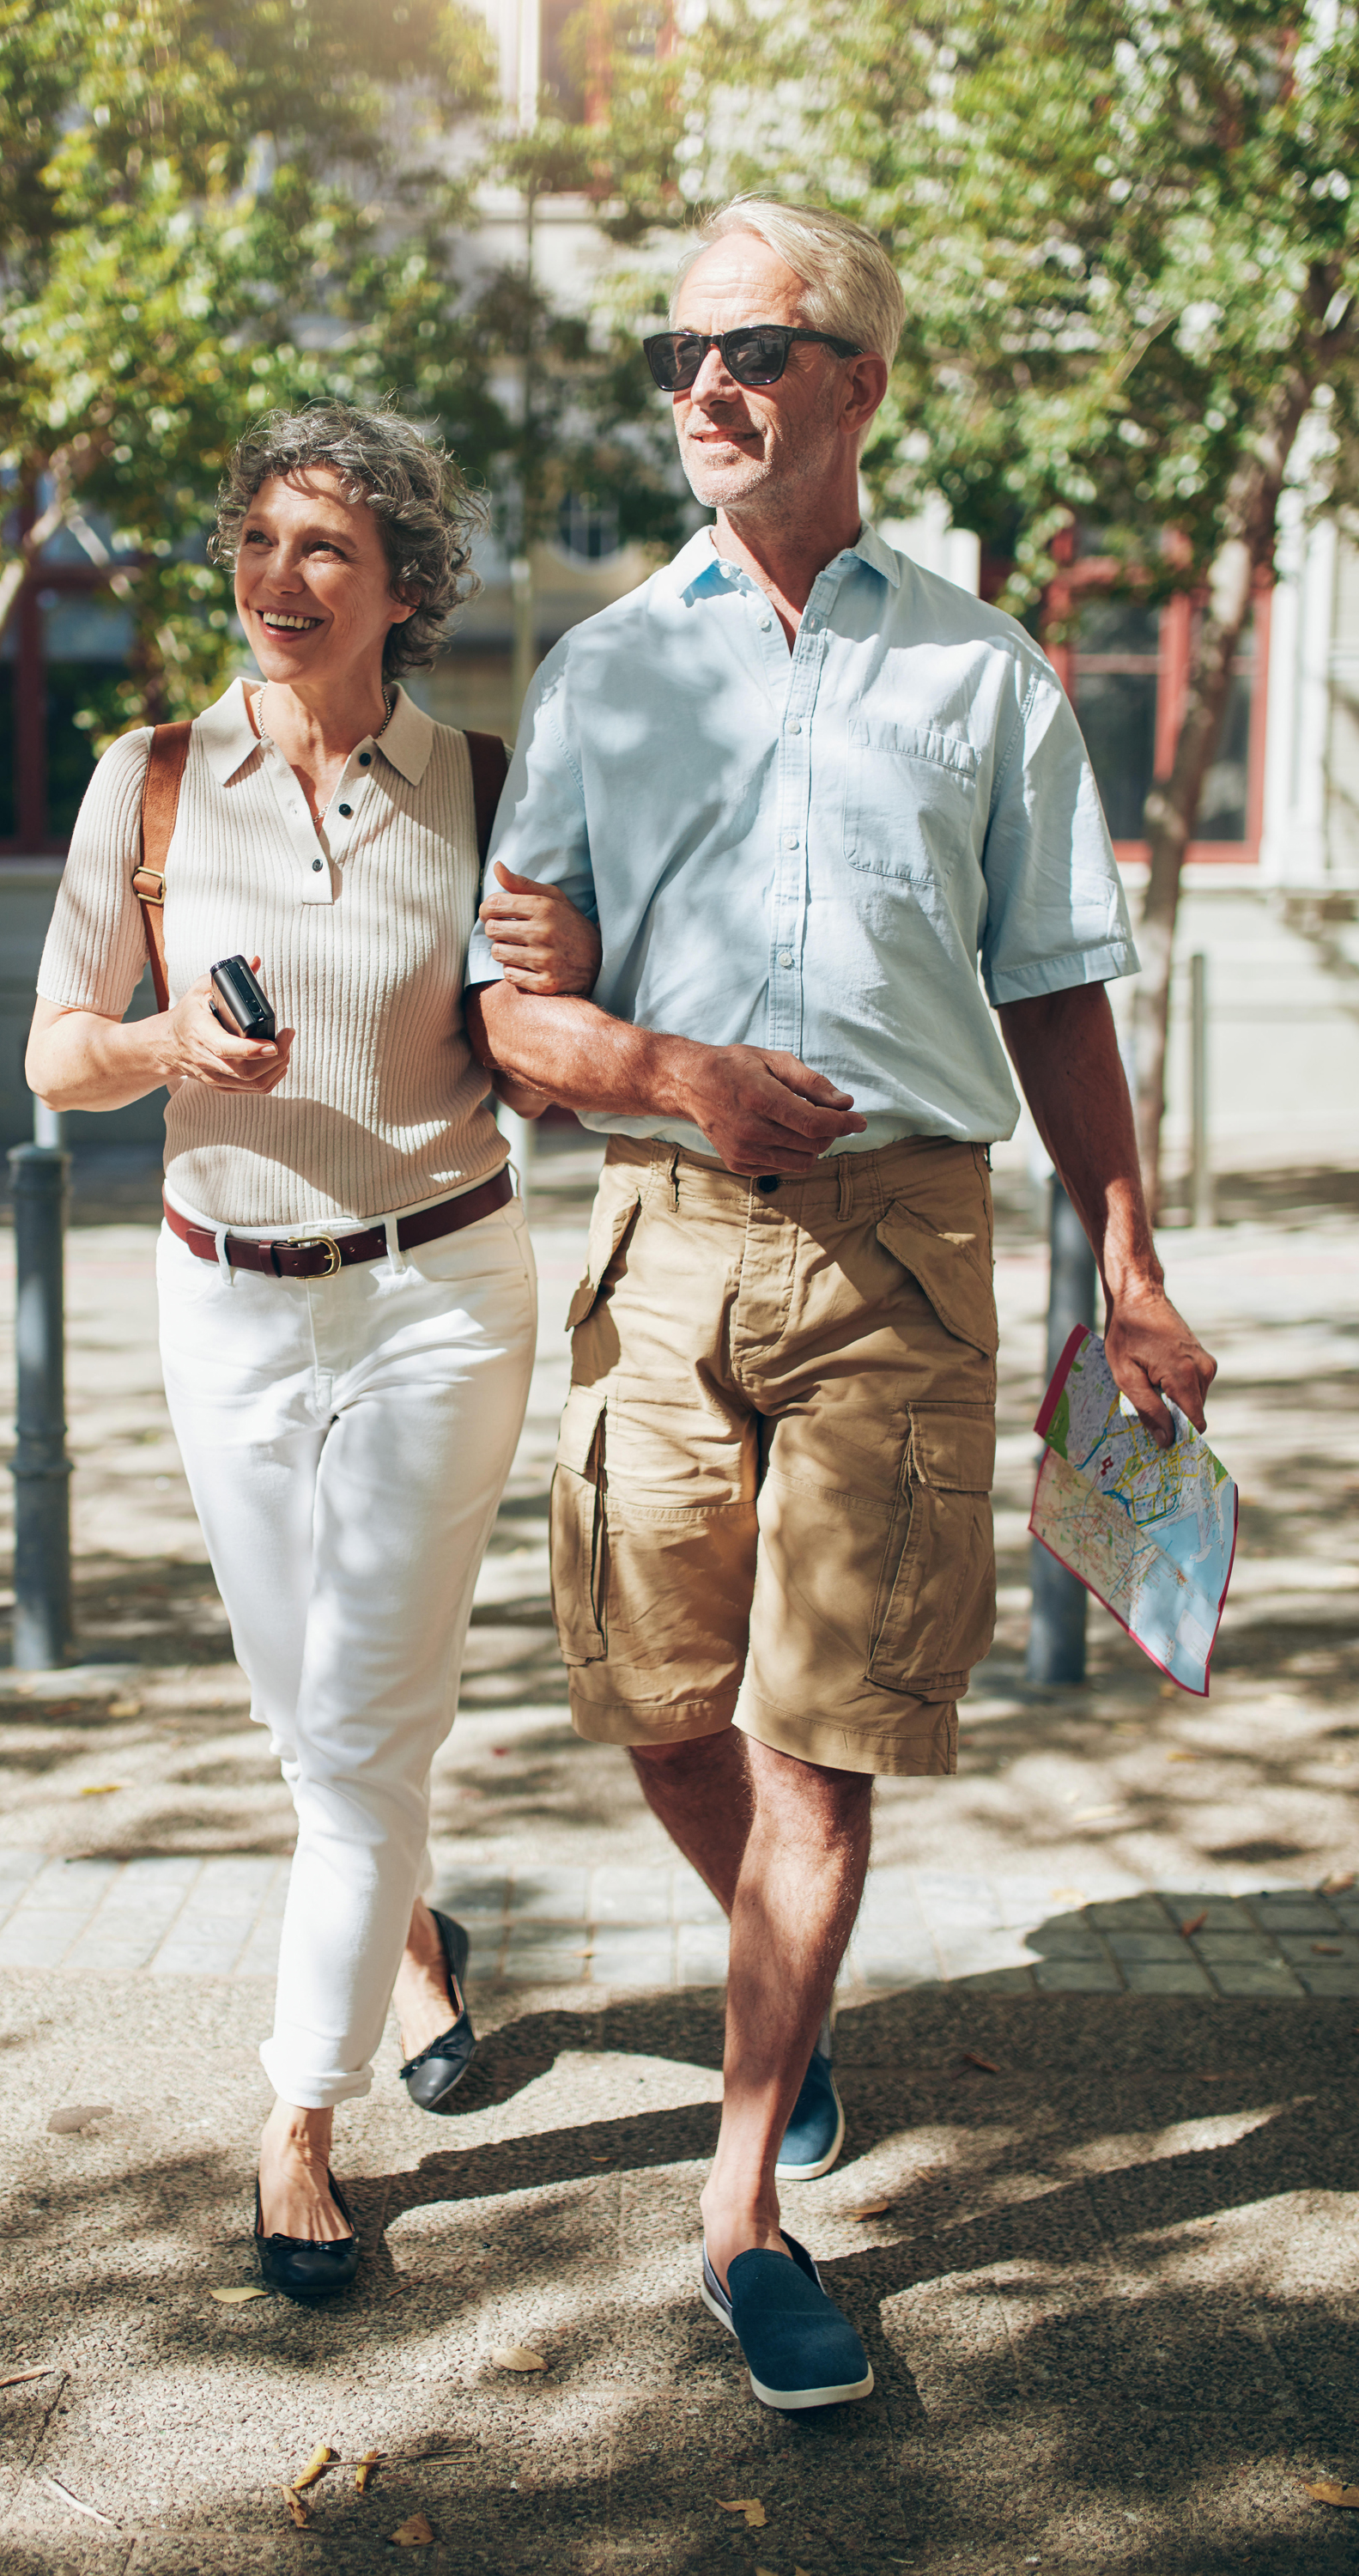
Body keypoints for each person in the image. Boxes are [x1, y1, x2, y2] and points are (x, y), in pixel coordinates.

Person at [468, 197, 1217, 2412]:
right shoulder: (608, 668)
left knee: (828, 1738)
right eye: (680, 352)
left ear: (861, 384)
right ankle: (769, 1992)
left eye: (758, 350)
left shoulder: (983, 674)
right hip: (670, 1238)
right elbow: (517, 1010)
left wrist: (1135, 1265)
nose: (708, 386)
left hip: (909, 1251)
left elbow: (1058, 988)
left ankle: (743, 2205)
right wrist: (662, 1070)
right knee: (651, 1696)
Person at [25, 400, 598, 2302]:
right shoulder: (157, 780)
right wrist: (168, 1045)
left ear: (406, 587)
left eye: (327, 550)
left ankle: (298, 2118)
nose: (282, 580)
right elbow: (53, 1050)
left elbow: (543, 1031)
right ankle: (411, 1933)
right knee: (312, 1720)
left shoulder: (488, 783)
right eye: (260, 542)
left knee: (359, 1735)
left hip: (441, 1292)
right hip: (225, 1294)